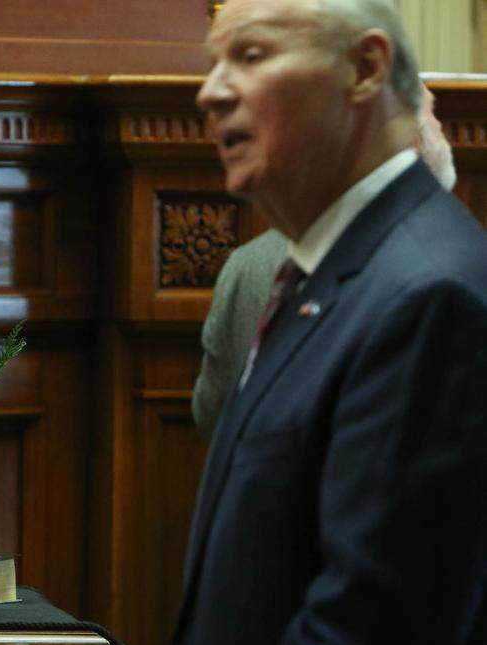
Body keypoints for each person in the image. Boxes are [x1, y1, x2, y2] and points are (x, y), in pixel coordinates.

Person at [170, 0, 487, 645]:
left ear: (365, 68)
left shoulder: (426, 290)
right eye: (213, 62)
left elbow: (368, 642)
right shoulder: (328, 273)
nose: (210, 91)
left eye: (251, 56)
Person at [191, 84, 458, 440]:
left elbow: (212, 415)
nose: (441, 126)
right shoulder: (451, 263)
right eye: (433, 113)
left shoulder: (249, 264)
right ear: (413, 143)